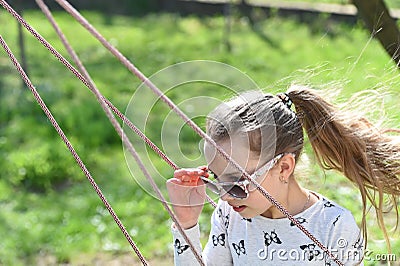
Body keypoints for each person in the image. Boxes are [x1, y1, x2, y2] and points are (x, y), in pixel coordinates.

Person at [166, 85, 400, 265]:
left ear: (284, 168)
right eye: (216, 180)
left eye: (237, 181)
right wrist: (187, 224)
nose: (226, 196)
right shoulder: (229, 216)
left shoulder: (333, 226)